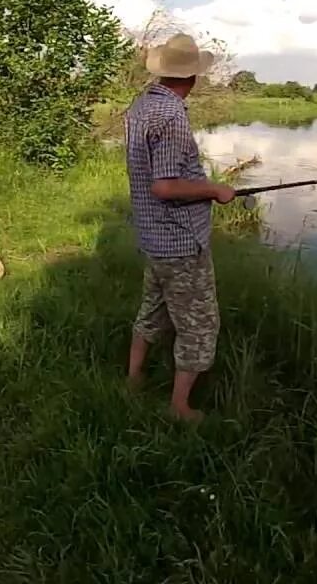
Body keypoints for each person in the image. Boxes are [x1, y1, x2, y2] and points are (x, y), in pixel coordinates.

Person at [124, 33, 235, 422]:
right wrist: (214, 189)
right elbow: (165, 186)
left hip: (153, 237)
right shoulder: (171, 117)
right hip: (179, 241)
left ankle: (132, 380)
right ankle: (179, 407)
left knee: (152, 311)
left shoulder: (141, 106)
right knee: (201, 326)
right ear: (192, 78)